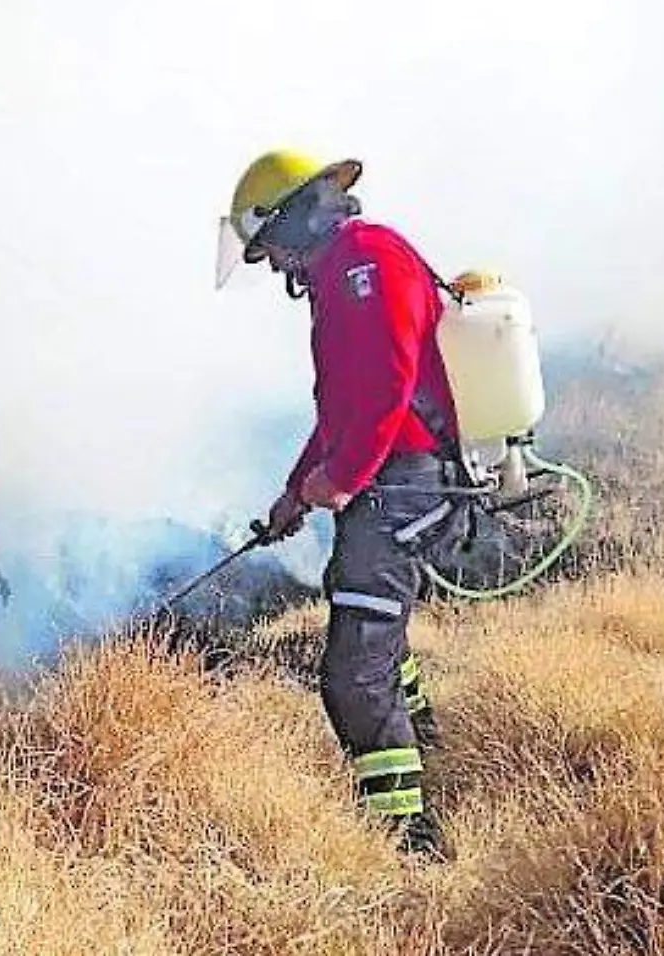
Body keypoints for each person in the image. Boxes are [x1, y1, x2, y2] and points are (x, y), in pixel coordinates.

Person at [221, 149, 460, 859]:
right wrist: (298, 493)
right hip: (395, 478)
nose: (274, 270)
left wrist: (346, 477)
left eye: (270, 253)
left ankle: (408, 848)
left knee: (353, 678)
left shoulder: (364, 262)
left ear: (294, 219)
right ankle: (435, 751)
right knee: (368, 617)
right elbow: (340, 410)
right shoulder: (344, 271)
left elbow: (387, 386)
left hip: (406, 480)